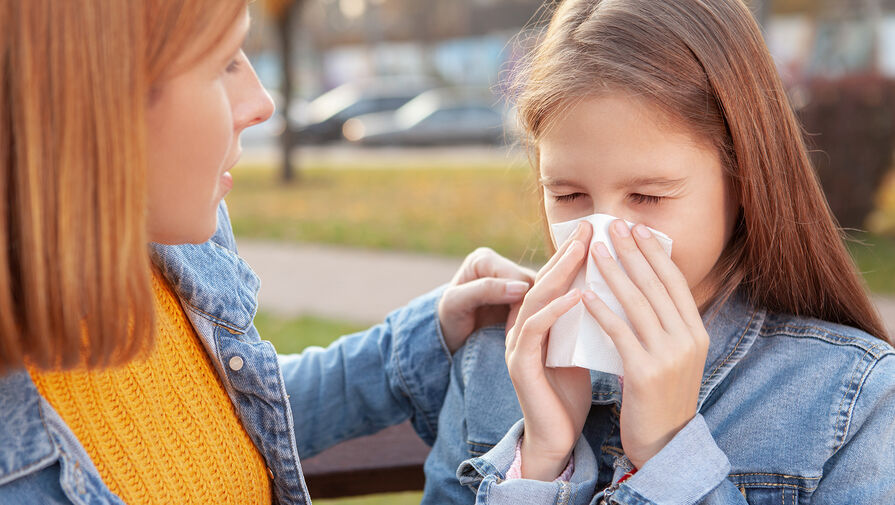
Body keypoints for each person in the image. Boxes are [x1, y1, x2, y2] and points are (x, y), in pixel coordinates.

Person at [0, 2, 535, 504]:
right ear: (94, 101)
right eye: (223, 63)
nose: (262, 102)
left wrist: (425, 336)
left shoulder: (160, 253)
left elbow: (220, 421)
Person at [420, 0, 895, 504]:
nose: (604, 240)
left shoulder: (853, 401)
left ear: (744, 178)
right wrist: (541, 462)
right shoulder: (491, 365)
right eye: (567, 196)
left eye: (648, 196)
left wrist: (670, 457)